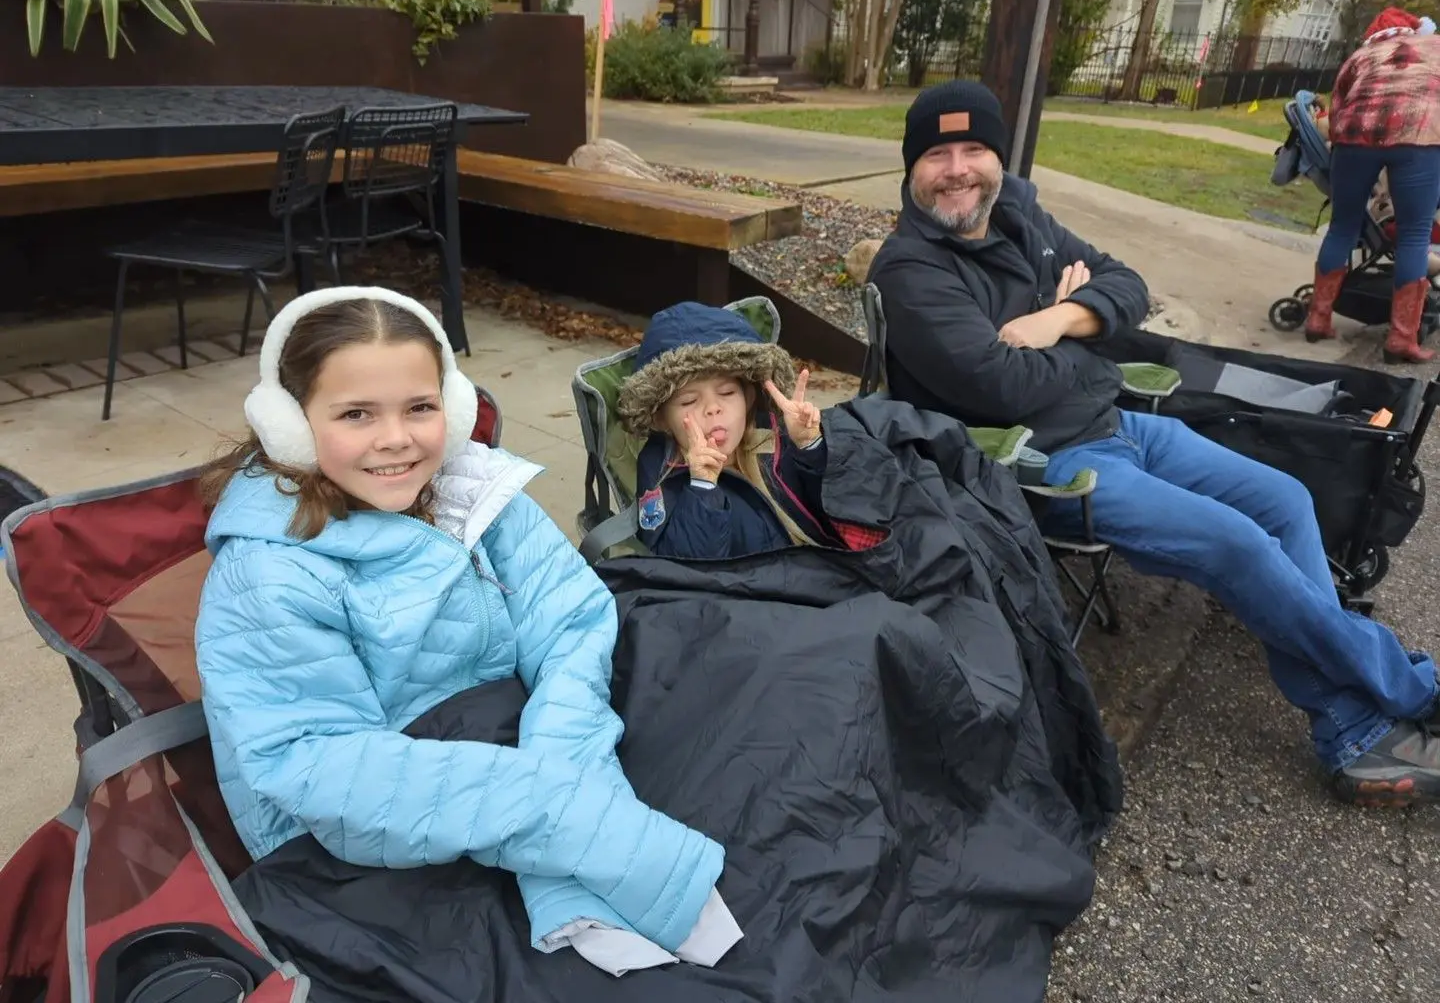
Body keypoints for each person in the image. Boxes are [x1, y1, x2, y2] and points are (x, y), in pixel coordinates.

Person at [867, 80, 1440, 806]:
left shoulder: (1018, 212)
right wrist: (1094, 333)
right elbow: (1002, 389)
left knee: (1285, 498)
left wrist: (1058, 318)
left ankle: (1347, 722)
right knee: (1239, 545)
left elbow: (1129, 289)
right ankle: (1401, 694)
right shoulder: (911, 270)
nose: (957, 169)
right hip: (1039, 465)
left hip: (1119, 424)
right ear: (910, 169)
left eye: (974, 148)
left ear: (997, 158)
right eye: (937, 154)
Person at [194, 285, 740, 975]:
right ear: (292, 426)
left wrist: (567, 764)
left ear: (451, 411)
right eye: (356, 413)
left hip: (518, 757)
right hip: (371, 837)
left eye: (420, 408)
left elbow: (569, 617)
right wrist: (560, 812)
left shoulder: (472, 493)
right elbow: (320, 770)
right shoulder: (266, 578)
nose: (396, 438)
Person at [616, 301, 835, 559]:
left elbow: (833, 509)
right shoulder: (661, 471)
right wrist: (702, 487)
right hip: (747, 589)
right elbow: (682, 567)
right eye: (689, 401)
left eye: (727, 392)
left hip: (824, 565)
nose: (712, 408)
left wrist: (810, 447)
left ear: (748, 398)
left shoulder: (773, 436)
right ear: (661, 420)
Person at [1304, 6, 1440, 363]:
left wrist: (1343, 140)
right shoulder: (1435, 48)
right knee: (1414, 234)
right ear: (1414, 31)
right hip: (1420, 137)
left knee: (1342, 226)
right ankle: (1401, 340)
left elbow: (1336, 105)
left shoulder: (1361, 55)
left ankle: (1318, 318)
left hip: (1354, 138)